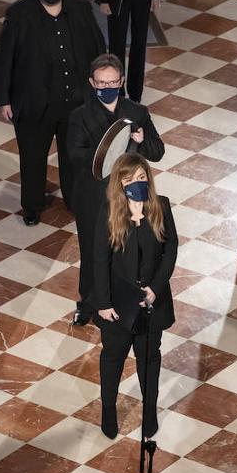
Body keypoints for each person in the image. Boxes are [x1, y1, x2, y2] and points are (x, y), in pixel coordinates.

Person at [0, 0, 105, 224]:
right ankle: (32, 206)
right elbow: (4, 58)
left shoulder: (80, 10)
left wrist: (101, 89)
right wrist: (3, 99)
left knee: (73, 157)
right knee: (32, 158)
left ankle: (75, 201)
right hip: (34, 103)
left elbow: (99, 49)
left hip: (75, 102)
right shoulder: (19, 14)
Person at [67, 54, 165, 326]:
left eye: (112, 82)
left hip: (130, 197)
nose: (106, 87)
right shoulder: (79, 116)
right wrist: (107, 151)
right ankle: (88, 304)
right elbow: (74, 154)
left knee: (129, 250)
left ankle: (127, 298)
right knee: (92, 252)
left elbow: (157, 152)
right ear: (92, 83)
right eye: (101, 83)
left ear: (121, 81)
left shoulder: (137, 112)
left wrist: (141, 141)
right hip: (93, 198)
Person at [92, 153, 177, 439]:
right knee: (113, 358)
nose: (136, 184)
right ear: (119, 183)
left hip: (151, 302)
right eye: (129, 180)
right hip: (118, 303)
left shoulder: (161, 206)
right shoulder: (108, 212)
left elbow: (170, 250)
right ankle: (108, 409)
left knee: (149, 359)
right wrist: (103, 303)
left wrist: (155, 288)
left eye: (141, 178)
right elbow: (99, 260)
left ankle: (149, 411)